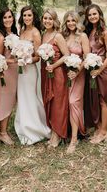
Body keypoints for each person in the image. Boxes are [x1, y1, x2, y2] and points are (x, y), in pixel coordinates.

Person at [14, 5, 51, 145]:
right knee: (22, 98)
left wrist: (26, 60)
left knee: (30, 97)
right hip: (21, 71)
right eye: (24, 15)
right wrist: (18, 58)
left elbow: (38, 56)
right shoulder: (22, 30)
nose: (27, 18)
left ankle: (35, 129)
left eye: (29, 15)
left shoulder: (36, 33)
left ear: (34, 17)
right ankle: (24, 127)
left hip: (30, 70)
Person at [84, 4, 107, 144]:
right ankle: (98, 128)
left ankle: (103, 132)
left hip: (101, 70)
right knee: (94, 99)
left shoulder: (105, 32)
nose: (92, 17)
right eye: (89, 15)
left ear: (99, 14)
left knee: (103, 100)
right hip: (91, 69)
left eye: (94, 14)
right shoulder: (90, 30)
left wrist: (100, 69)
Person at [62, 11, 90, 153]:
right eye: (68, 21)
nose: (71, 23)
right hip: (64, 75)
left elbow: (86, 58)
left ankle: (74, 139)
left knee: (74, 102)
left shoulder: (82, 36)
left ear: (77, 21)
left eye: (73, 20)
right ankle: (66, 132)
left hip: (78, 75)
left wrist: (76, 71)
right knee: (65, 103)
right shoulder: (64, 36)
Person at [41, 9, 69, 148]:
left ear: (55, 20)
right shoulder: (43, 34)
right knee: (49, 102)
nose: (47, 21)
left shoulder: (58, 36)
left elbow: (66, 55)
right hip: (46, 73)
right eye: (45, 18)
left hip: (57, 73)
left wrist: (54, 65)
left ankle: (57, 135)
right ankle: (52, 131)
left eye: (50, 19)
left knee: (58, 103)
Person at [0, 7, 18, 145]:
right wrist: (12, 60)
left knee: (11, 101)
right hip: (5, 72)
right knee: (5, 101)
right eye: (5, 17)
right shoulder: (1, 36)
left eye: (10, 17)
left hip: (15, 72)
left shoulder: (15, 33)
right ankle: (2, 133)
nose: (8, 20)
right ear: (1, 20)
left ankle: (4, 131)